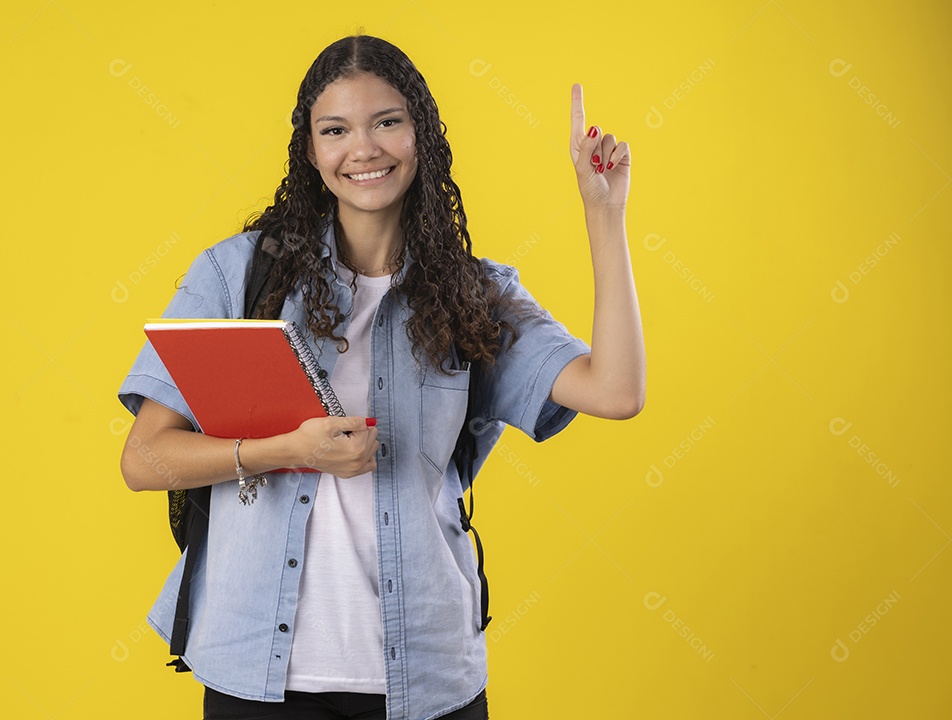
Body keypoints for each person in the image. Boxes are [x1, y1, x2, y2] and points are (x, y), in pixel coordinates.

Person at [119, 34, 644, 720]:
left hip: (425, 676)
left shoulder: (472, 295)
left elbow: (615, 391)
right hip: (259, 675)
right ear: (310, 151)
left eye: (387, 122)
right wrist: (290, 452)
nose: (362, 149)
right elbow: (144, 458)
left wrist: (604, 213)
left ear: (421, 135)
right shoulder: (234, 276)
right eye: (335, 130)